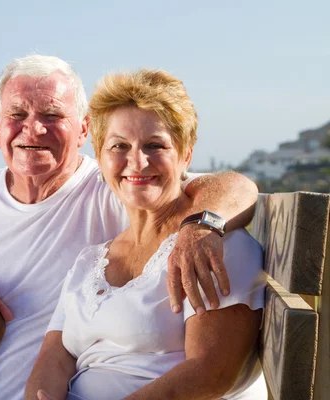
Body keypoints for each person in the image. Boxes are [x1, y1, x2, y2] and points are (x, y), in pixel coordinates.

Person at [0, 55, 259, 399]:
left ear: (84, 131)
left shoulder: (116, 183)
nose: (32, 128)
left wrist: (201, 227)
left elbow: (233, 187)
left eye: (52, 115)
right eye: (16, 113)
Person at [25, 69, 266, 400]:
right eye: (119, 146)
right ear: (99, 156)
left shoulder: (212, 246)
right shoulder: (90, 260)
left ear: (186, 155)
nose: (137, 162)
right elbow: (54, 356)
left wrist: (200, 226)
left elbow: (211, 373)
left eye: (155, 145)